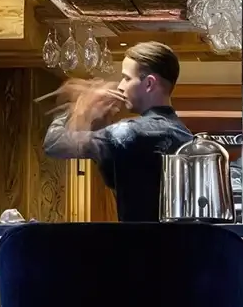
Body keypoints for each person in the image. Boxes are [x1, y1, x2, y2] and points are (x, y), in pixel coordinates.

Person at [43, 41, 193, 221]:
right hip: (178, 245)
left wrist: (77, 106)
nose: (121, 85)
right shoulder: (184, 134)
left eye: (127, 78)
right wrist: (101, 123)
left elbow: (53, 143)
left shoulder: (128, 132)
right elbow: (116, 176)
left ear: (149, 83)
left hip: (138, 245)